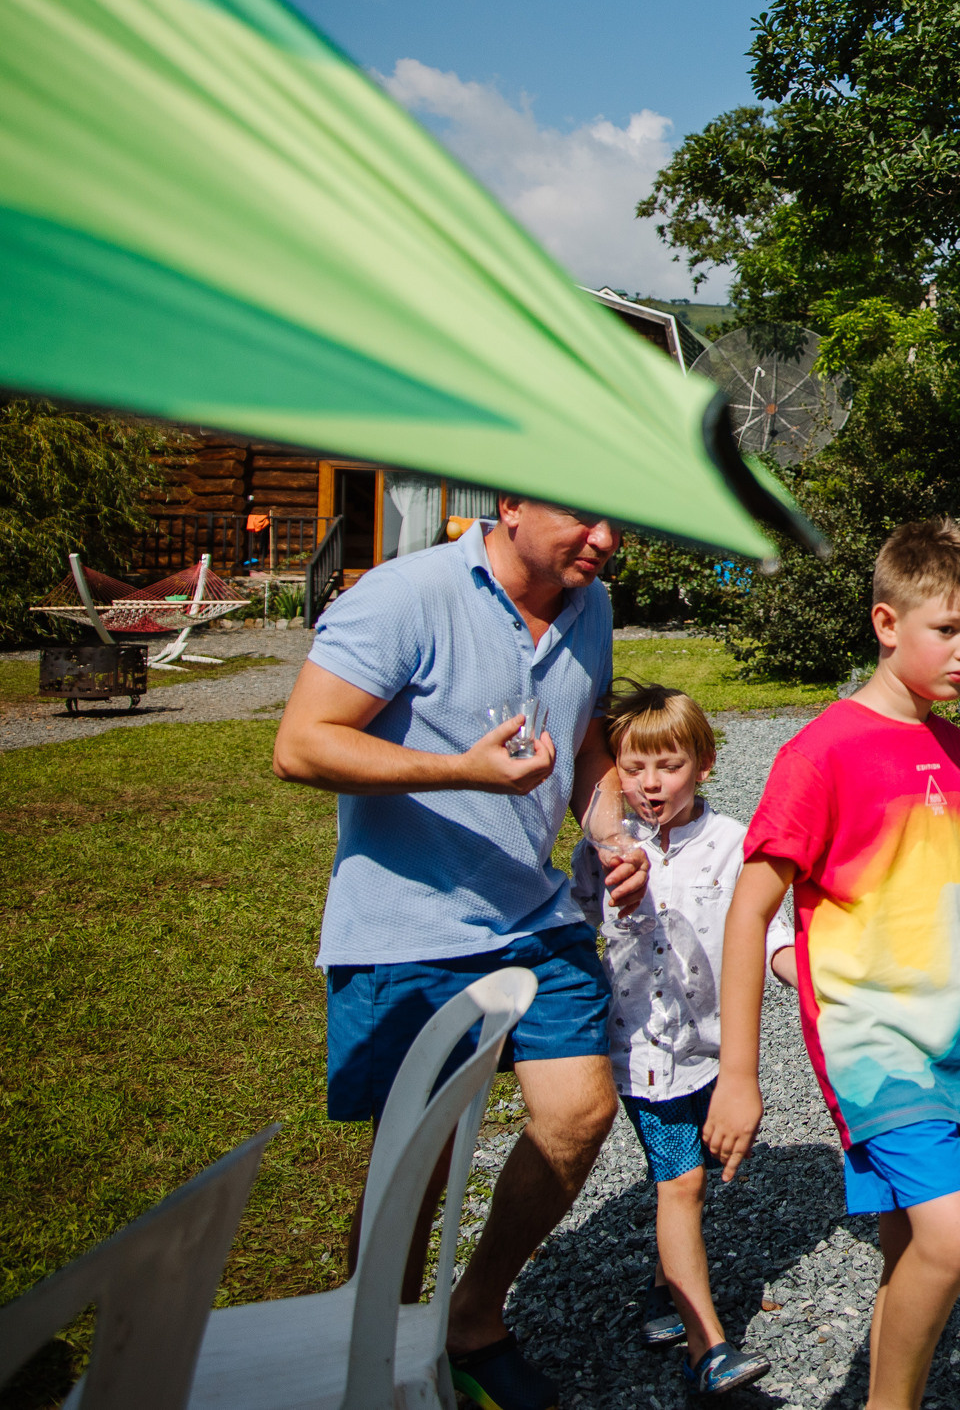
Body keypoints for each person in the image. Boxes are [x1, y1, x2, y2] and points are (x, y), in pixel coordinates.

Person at [703, 518, 960, 1410]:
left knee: (910, 1244)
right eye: (947, 629)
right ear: (885, 622)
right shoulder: (821, 751)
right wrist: (738, 1073)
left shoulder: (956, 750)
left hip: (950, 1036)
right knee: (956, 1234)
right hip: (872, 1042)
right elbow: (749, 909)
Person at [274, 499, 636, 1410]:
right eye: (585, 520)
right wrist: (462, 770)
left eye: (616, 522)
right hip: (410, 927)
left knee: (582, 1110)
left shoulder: (589, 604)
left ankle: (473, 1316)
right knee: (418, 1165)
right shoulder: (403, 596)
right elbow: (301, 744)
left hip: (530, 914)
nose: (605, 542)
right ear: (509, 501)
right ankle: (377, 1353)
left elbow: (587, 743)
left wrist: (609, 832)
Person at [567, 680, 792, 1395]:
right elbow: (575, 930)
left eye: (667, 765)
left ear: (704, 763)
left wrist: (810, 978)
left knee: (690, 1178)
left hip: (712, 1049)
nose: (650, 783)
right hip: (639, 1053)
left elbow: (769, 930)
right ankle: (708, 1345)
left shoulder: (731, 843)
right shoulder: (603, 849)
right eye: (633, 768)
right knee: (682, 1181)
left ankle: (667, 1291)